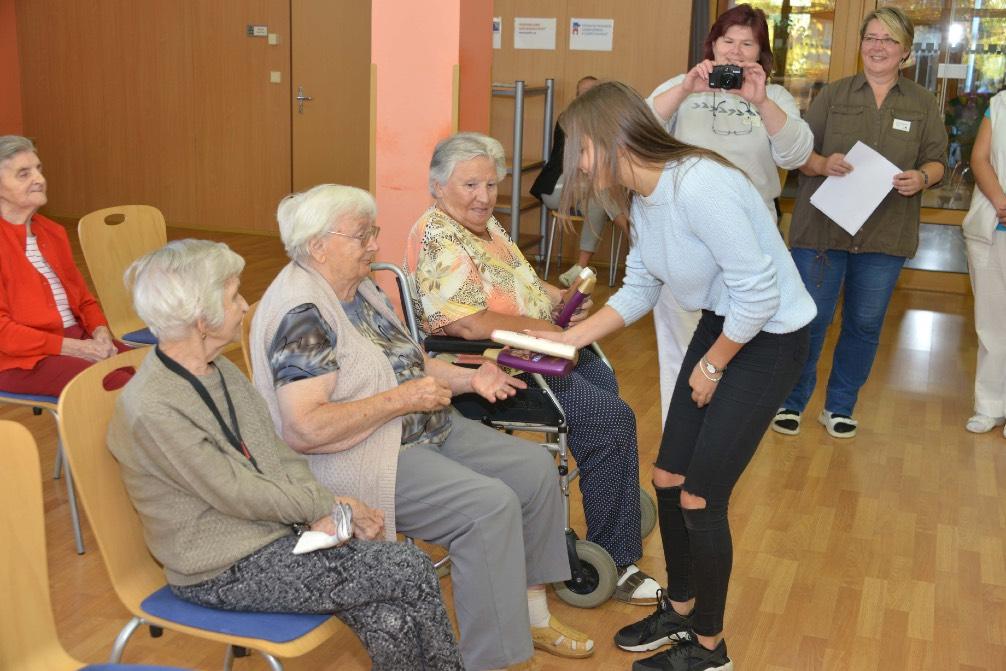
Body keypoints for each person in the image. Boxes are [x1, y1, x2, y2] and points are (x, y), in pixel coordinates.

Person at [250, 184, 592, 671]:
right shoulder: (301, 316)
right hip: (364, 456)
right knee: (486, 508)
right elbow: (304, 429)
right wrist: (401, 399)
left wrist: (471, 378)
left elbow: (413, 363)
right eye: (363, 235)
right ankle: (492, 660)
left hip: (423, 426)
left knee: (535, 467)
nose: (374, 245)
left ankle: (531, 616)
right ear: (317, 246)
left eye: (375, 232)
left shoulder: (359, 287)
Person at [535, 80, 816, 671]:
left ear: (612, 140)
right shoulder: (642, 195)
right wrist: (567, 340)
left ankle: (710, 648)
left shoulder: (700, 186)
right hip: (725, 323)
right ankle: (682, 605)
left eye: (580, 149)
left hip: (768, 338)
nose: (576, 163)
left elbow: (760, 293)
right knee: (667, 476)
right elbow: (641, 284)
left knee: (700, 497)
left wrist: (715, 363)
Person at [107, 239, 464, 671]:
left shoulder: (218, 370)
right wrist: (332, 506)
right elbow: (235, 492)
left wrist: (325, 512)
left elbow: (278, 453)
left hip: (271, 534)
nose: (244, 307)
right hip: (219, 568)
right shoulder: (154, 407)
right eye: (234, 296)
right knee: (408, 568)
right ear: (202, 320)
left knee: (387, 614)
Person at [405, 131, 660, 607]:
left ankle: (615, 507)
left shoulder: (486, 227)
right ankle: (615, 555)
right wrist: (544, 326)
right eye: (470, 186)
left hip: (538, 352)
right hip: (492, 369)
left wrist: (557, 298)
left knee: (606, 396)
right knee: (610, 418)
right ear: (437, 186)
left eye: (490, 184)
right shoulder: (439, 236)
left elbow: (519, 276)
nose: (484, 197)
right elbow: (467, 323)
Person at [772, 6, 948, 439]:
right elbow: (801, 154)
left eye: (888, 40)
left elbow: (937, 161)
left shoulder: (923, 103)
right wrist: (821, 163)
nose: (878, 47)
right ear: (860, 46)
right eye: (871, 38)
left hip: (885, 234)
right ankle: (791, 401)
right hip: (822, 232)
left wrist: (921, 177)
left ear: (905, 51)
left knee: (864, 325)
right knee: (809, 320)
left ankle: (839, 407)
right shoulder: (833, 95)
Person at [645, 4, 814, 424]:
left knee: (737, 343)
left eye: (747, 44)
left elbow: (797, 154)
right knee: (679, 349)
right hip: (681, 237)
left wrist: (760, 103)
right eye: (728, 42)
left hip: (748, 240)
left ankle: (717, 439)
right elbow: (638, 131)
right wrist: (686, 89)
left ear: (761, 53)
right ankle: (676, 439)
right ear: (713, 45)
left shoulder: (774, 97)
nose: (736, 53)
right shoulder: (683, 87)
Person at [0, 135, 131, 395]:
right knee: (121, 387)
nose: (39, 179)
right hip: (20, 361)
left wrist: (100, 333)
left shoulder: (52, 232)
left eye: (39, 169)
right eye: (23, 174)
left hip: (74, 340)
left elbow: (84, 300)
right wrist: (76, 349)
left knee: (161, 371)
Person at [531, 75, 629, 287]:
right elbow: (578, 162)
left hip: (584, 189)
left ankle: (580, 267)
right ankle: (634, 233)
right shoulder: (570, 119)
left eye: (593, 92)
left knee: (599, 195)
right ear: (577, 97)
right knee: (602, 190)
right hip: (557, 186)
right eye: (583, 93)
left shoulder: (602, 123)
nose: (588, 97)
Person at [961, 90, 1006, 436]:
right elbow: (980, 159)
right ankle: (990, 405)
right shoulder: (1000, 104)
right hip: (995, 226)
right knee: (991, 324)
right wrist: (1001, 201)